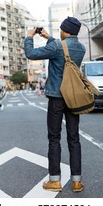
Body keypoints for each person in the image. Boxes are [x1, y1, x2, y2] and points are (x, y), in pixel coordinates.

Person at [24, 17, 86, 193]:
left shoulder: (57, 46)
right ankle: (77, 182)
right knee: (74, 138)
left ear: (64, 30)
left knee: (54, 138)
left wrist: (30, 37)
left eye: (60, 29)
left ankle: (55, 180)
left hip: (57, 97)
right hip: (73, 98)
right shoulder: (81, 47)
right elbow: (62, 49)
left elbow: (31, 54)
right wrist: (48, 37)